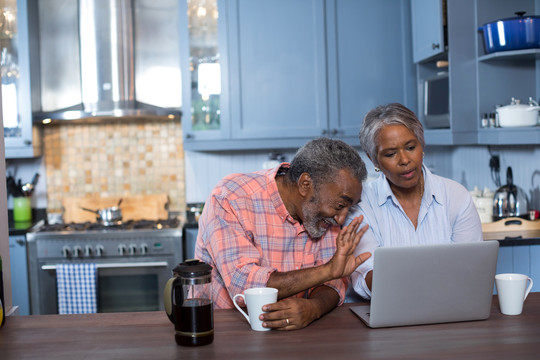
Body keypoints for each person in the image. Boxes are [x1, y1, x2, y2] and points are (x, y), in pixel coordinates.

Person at [195, 138, 371, 330]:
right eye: (340, 205)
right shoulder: (231, 196)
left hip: (297, 335)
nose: (341, 219)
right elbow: (244, 285)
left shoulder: (323, 216)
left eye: (349, 208)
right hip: (227, 330)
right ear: (305, 184)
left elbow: (333, 283)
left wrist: (314, 308)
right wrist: (329, 270)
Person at [347, 103, 482, 300]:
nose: (404, 160)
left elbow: (473, 269)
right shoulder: (361, 204)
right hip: (387, 309)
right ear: (373, 159)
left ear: (422, 143)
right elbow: (365, 280)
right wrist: (438, 273)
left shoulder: (456, 196)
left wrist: (403, 274)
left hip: (448, 308)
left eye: (410, 147)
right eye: (390, 154)